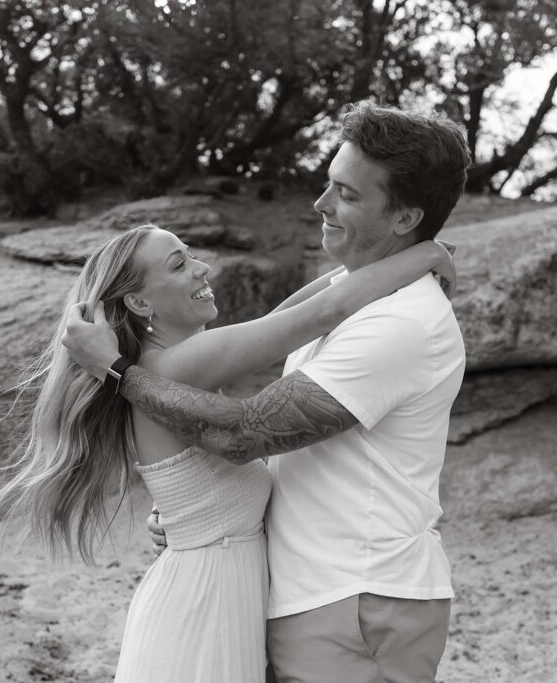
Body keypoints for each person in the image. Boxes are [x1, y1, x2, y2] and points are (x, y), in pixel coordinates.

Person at [61, 100, 471, 683]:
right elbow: (290, 322)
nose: (320, 204)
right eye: (328, 184)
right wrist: (194, 509)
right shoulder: (362, 299)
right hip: (302, 598)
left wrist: (117, 371)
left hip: (357, 598)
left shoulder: (399, 321)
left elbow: (243, 432)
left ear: (404, 217)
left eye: (347, 195)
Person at [0, 217, 457, 679]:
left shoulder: (171, 368)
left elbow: (282, 318)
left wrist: (384, 263)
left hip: (217, 592)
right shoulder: (175, 368)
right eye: (177, 264)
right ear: (139, 302)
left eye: (191, 253)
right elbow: (319, 315)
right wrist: (425, 255)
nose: (202, 267)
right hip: (202, 604)